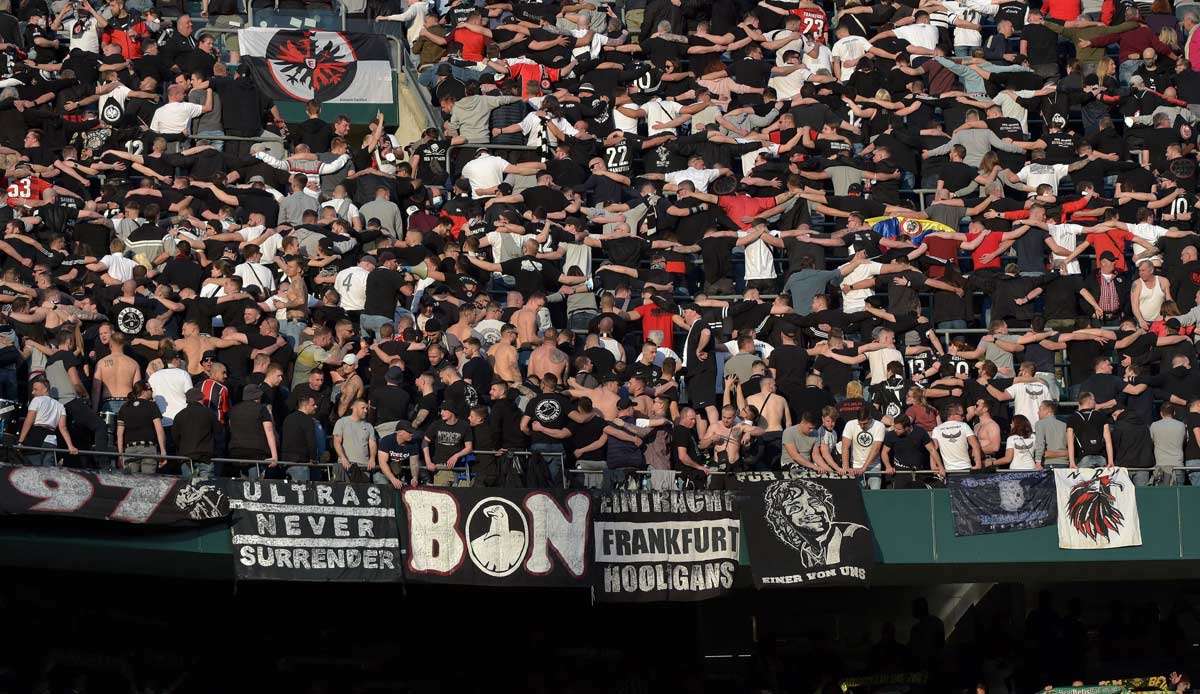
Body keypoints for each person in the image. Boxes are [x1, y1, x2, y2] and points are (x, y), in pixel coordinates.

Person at [332, 398, 378, 483]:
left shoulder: (369, 426)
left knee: (361, 493)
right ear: (354, 407)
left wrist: (372, 458)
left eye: (366, 409)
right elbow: (337, 442)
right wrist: (343, 458)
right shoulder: (342, 422)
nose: (365, 411)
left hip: (364, 466)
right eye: (363, 408)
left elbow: (372, 444)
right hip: (346, 465)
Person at [1067, 392, 1114, 469]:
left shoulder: (1072, 418)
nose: (1095, 402)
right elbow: (1108, 441)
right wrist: (1110, 461)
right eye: (1094, 400)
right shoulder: (1101, 416)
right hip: (1101, 458)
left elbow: (1070, 442)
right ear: (1090, 401)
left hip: (1083, 458)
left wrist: (1072, 462)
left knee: (1084, 481)